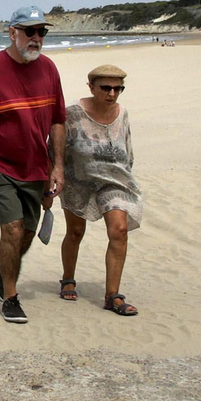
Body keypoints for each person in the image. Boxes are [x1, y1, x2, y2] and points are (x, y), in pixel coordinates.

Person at [0, 6, 66, 324]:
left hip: (35, 166)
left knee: (27, 234)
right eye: (29, 31)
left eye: (41, 32)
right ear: (12, 32)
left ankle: (1, 267)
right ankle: (10, 297)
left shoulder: (49, 70)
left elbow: (58, 121)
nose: (35, 38)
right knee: (12, 228)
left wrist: (57, 167)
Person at [58, 64, 142, 316]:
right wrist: (53, 176)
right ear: (91, 87)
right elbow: (57, 146)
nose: (112, 94)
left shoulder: (123, 113)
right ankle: (68, 278)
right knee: (75, 231)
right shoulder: (72, 112)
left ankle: (112, 296)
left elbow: (128, 148)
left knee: (119, 230)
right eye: (106, 88)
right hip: (78, 179)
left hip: (113, 181)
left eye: (118, 89)